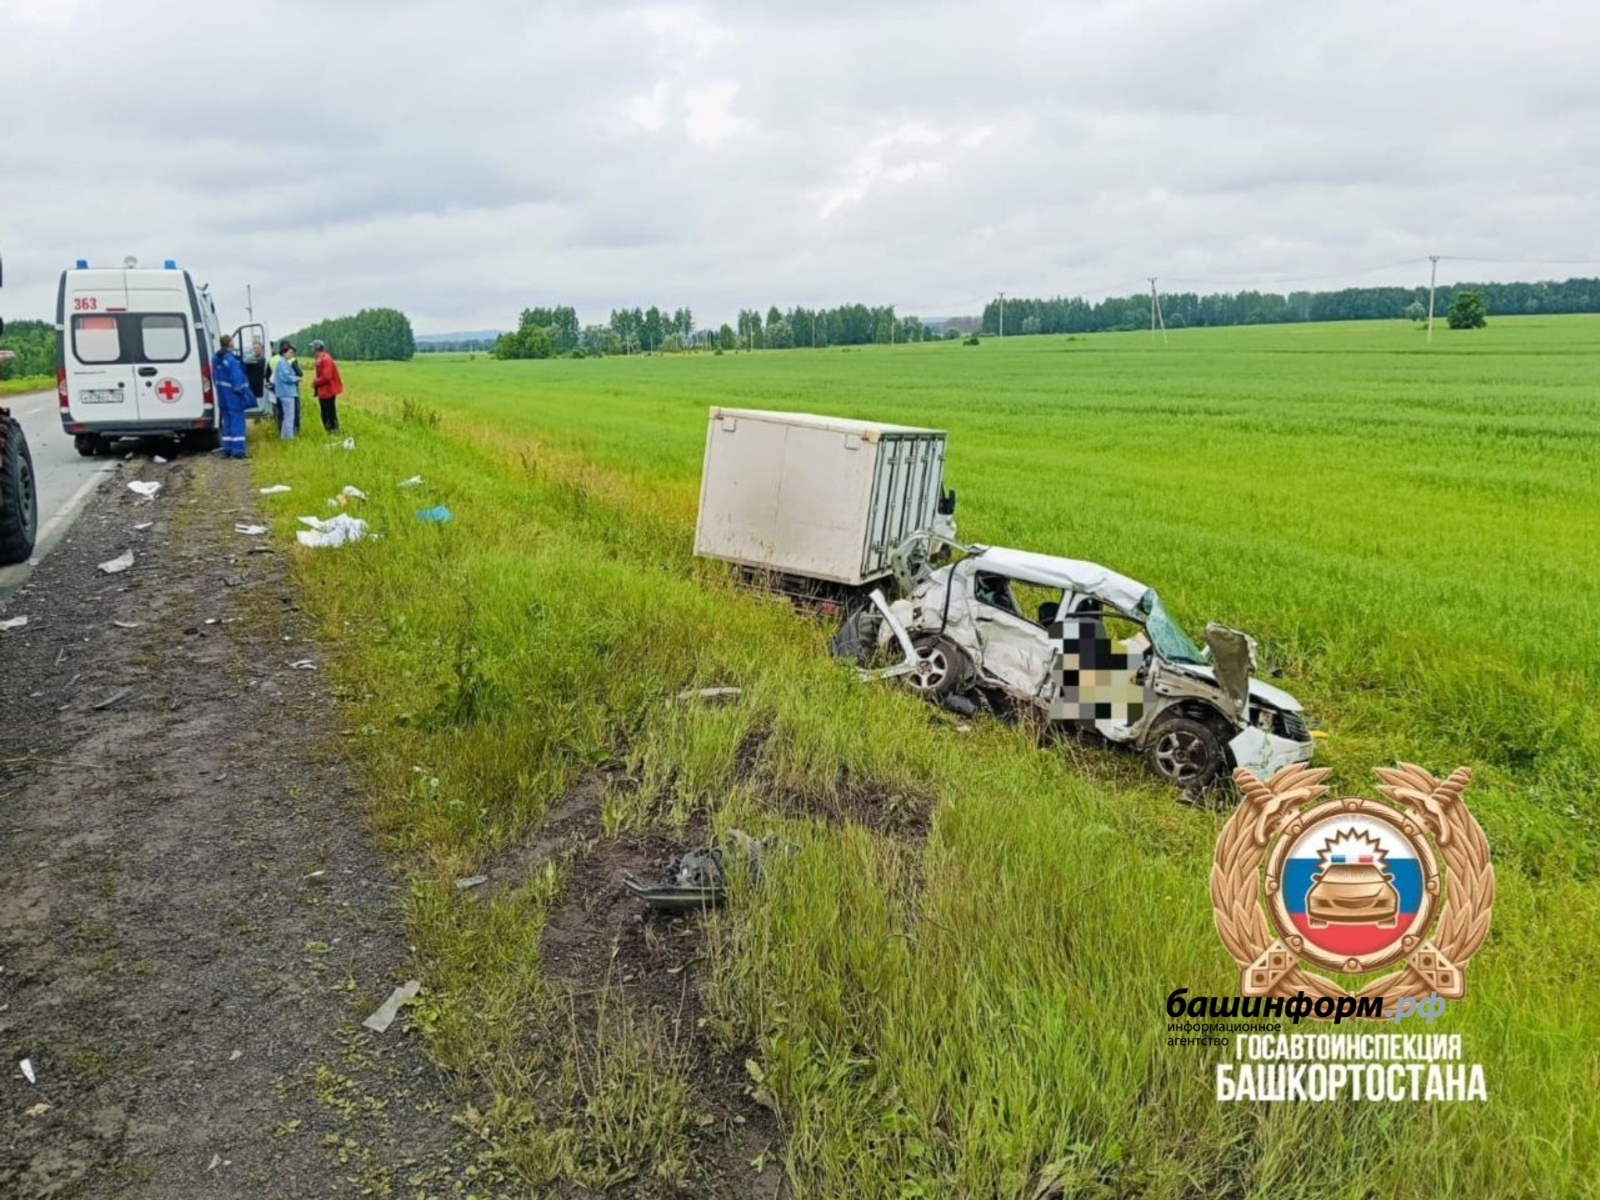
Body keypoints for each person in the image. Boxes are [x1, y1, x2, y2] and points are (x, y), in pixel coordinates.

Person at [212, 335, 251, 459]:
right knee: (237, 422)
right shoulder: (231, 360)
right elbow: (237, 379)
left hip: (222, 396)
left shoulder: (215, 358)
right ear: (230, 343)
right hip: (233, 397)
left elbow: (214, 377)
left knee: (227, 422)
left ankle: (227, 448)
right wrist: (244, 392)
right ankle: (238, 451)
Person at [311, 339, 344, 433]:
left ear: (317, 348)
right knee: (325, 414)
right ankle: (330, 432)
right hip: (324, 391)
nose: (311, 349)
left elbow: (327, 377)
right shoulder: (321, 358)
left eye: (312, 347)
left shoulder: (326, 359)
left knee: (329, 413)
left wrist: (315, 382)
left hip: (328, 391)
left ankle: (334, 432)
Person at [272, 340, 301, 439]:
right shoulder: (282, 363)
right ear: (284, 352)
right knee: (290, 417)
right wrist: (296, 378)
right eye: (290, 352)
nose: (291, 355)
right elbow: (286, 377)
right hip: (287, 393)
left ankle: (284, 437)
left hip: (285, 393)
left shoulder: (283, 362)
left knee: (286, 417)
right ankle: (290, 438)